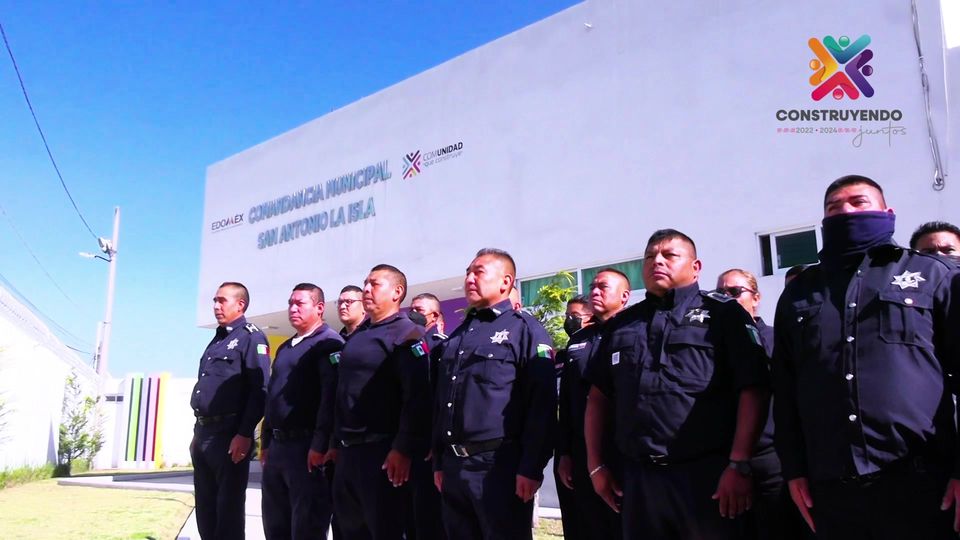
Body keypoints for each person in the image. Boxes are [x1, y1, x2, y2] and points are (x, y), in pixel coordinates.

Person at [773, 175, 960, 539]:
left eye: (858, 203)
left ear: (887, 213)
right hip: (831, 486)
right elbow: (785, 387)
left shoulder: (931, 275)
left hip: (922, 479)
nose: (845, 212)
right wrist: (794, 469)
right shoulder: (800, 294)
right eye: (834, 208)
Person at [584, 229, 769, 540]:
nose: (657, 261)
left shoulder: (724, 315)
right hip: (639, 479)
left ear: (695, 267)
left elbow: (753, 388)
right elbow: (598, 398)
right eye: (649, 256)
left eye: (669, 255)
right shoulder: (622, 325)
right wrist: (596, 466)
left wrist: (739, 464)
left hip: (706, 478)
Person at [432, 248, 556, 540]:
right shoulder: (458, 336)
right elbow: (442, 402)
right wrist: (439, 461)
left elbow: (542, 403)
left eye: (479, 272)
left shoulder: (523, 330)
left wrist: (531, 467)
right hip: (454, 466)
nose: (469, 278)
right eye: (467, 272)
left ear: (505, 282)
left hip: (498, 466)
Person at [333, 264, 431, 539]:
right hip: (348, 453)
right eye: (365, 283)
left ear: (397, 292)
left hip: (382, 454)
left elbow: (417, 397)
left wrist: (402, 448)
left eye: (374, 284)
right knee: (349, 530)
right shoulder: (358, 336)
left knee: (385, 530)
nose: (366, 289)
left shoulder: (407, 334)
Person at [717, 269, 804, 540]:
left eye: (735, 292)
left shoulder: (779, 339)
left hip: (772, 459)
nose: (727, 298)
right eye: (720, 293)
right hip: (725, 461)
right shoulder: (710, 344)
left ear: (756, 298)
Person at [261, 283, 344, 540]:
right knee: (276, 525)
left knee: (307, 526)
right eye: (290, 303)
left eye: (300, 303)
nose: (293, 308)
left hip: (307, 449)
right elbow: (272, 397)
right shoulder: (286, 348)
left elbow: (330, 399)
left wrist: (320, 445)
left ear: (319, 308)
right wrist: (265, 442)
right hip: (277, 449)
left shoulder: (329, 343)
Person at [191, 282, 271, 540]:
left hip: (229, 434)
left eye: (222, 300)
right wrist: (197, 435)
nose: (216, 306)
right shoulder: (218, 338)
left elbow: (259, 390)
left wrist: (245, 433)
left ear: (240, 304)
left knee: (228, 509)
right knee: (205, 507)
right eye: (214, 300)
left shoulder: (251, 337)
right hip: (204, 432)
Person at [555, 270, 630, 540]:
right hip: (581, 451)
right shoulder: (578, 342)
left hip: (624, 451)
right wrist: (564, 453)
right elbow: (566, 401)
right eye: (592, 286)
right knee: (588, 526)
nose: (595, 292)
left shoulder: (635, 331)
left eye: (603, 287)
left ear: (625, 296)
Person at [406, 292, 449, 540]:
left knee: (428, 517)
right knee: (406, 516)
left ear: (434, 316)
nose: (413, 314)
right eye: (411, 309)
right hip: (404, 443)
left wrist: (436, 439)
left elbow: (441, 398)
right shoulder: (406, 344)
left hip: (428, 445)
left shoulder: (441, 346)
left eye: (419, 310)